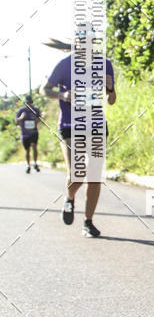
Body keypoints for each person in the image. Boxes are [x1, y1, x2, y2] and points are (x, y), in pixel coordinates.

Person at [42, 36, 116, 238]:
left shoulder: (104, 64)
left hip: (97, 125)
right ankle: (70, 197)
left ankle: (88, 222)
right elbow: (45, 89)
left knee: (94, 175)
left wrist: (110, 88)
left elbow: (111, 100)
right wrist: (63, 96)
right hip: (70, 126)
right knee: (78, 172)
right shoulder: (65, 65)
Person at [15, 94, 41, 173]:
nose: (28, 104)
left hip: (33, 132)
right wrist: (21, 118)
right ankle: (28, 165)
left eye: (30, 102)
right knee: (27, 150)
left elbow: (39, 119)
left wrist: (36, 120)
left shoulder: (35, 110)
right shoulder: (21, 111)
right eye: (27, 103)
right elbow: (16, 121)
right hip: (25, 134)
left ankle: (35, 163)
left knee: (34, 146)